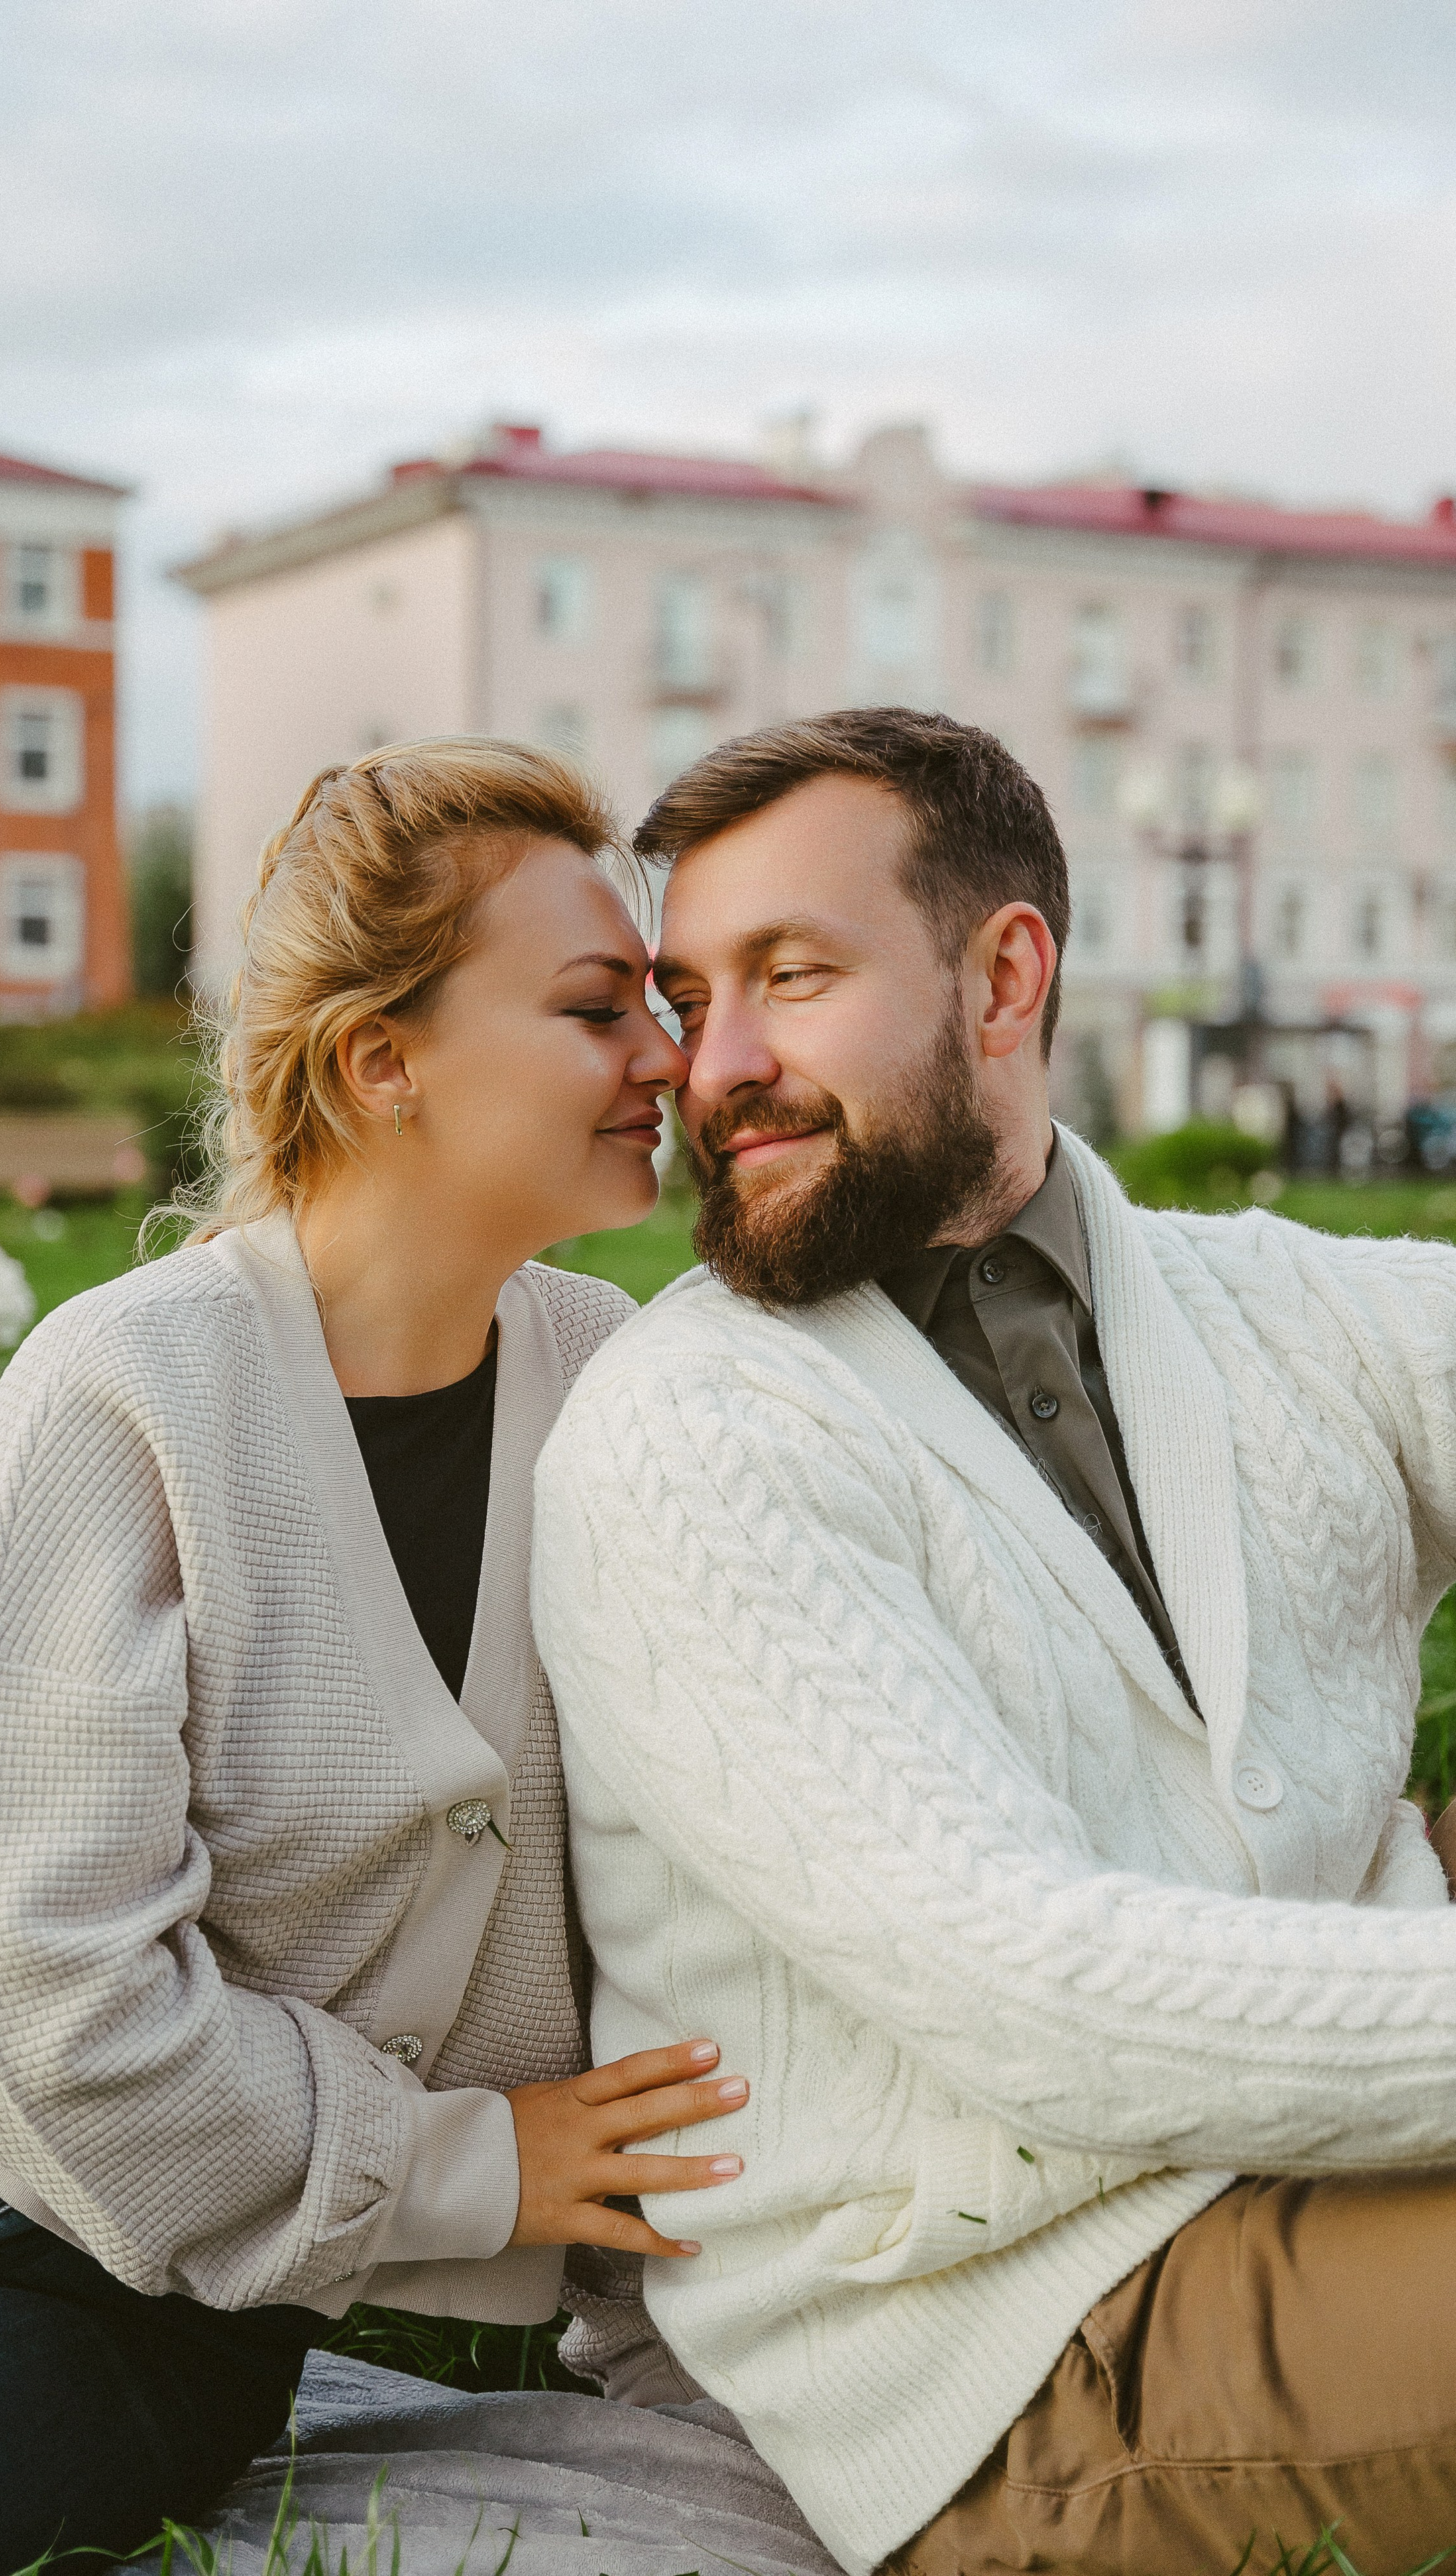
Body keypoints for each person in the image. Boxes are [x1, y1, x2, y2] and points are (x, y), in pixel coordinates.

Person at [0, 739, 749, 2576]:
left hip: (159, 2297)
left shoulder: (626, 1394)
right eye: (599, 1008)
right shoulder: (126, 1392)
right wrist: (472, 2167)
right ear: (380, 1063)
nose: (669, 1060)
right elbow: (50, 1992)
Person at [532, 706, 1456, 2576]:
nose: (718, 1064)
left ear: (1006, 978)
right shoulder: (692, 1440)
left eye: (792, 977)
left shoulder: (1278, 1303)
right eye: (692, 997)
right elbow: (1047, 2008)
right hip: (1019, 2332)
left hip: (1331, 2136)